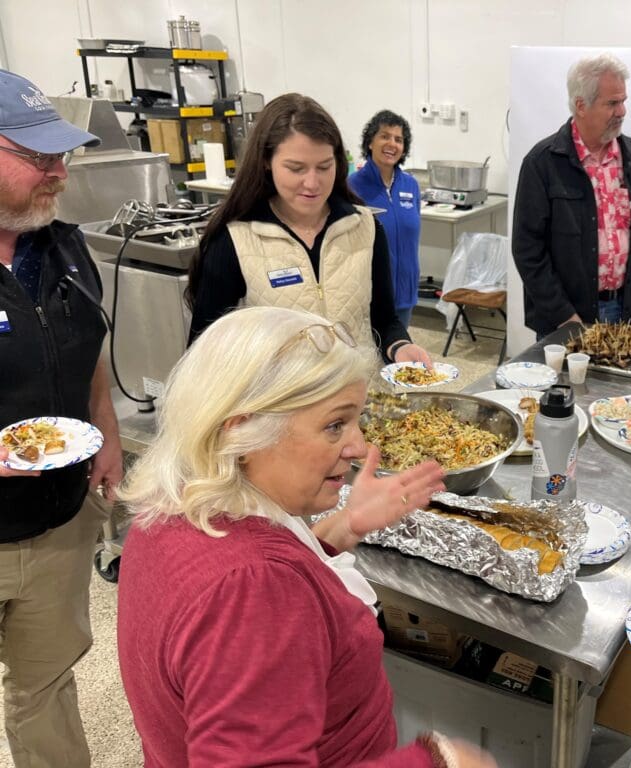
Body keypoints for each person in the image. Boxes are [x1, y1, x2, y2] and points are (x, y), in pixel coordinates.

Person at [116, 306, 495, 767]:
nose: (360, 447)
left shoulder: (177, 504)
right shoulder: (253, 590)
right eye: (335, 425)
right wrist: (439, 761)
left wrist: (342, 528)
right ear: (244, 431)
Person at [0, 68, 123, 766]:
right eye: (37, 157)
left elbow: (89, 348)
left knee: (45, 686)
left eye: (63, 157)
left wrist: (103, 430)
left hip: (55, 521)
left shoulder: (66, 247)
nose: (58, 175)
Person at [185, 93, 431, 366]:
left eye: (324, 166)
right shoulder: (234, 242)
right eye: (296, 168)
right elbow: (204, 358)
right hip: (281, 406)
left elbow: (384, 320)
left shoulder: (366, 227)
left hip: (359, 401)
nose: (312, 183)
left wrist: (399, 346)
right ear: (266, 161)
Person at [512, 52, 631, 338]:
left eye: (623, 101)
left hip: (625, 310)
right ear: (581, 105)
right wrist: (563, 315)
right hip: (567, 316)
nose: (622, 111)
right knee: (563, 384)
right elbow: (527, 249)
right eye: (612, 103)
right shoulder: (543, 163)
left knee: (615, 385)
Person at [349, 110, 421, 329]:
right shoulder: (352, 187)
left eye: (398, 139)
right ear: (370, 142)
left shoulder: (410, 185)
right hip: (369, 294)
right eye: (385, 136)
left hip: (405, 291)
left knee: (397, 357)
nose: (392, 144)